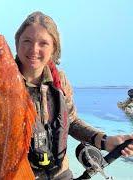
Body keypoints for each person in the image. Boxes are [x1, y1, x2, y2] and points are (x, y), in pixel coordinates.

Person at [14, 11, 133, 179]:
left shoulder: (59, 81)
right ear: (17, 43)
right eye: (27, 41)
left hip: (60, 173)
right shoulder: (0, 85)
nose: (34, 49)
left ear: (54, 48)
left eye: (43, 43)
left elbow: (71, 122)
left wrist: (106, 141)